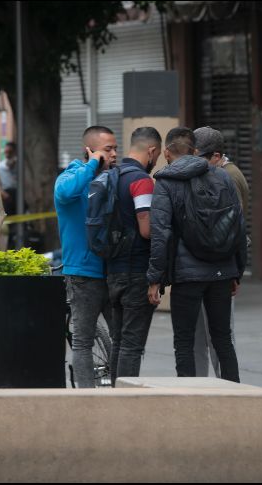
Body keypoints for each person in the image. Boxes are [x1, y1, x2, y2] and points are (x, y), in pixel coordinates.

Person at [147, 128, 247, 382]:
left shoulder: (166, 182)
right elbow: (238, 224)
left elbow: (161, 233)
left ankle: (189, 401)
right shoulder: (221, 176)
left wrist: (155, 278)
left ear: (167, 152)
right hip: (222, 272)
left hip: (186, 275)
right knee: (223, 340)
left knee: (184, 341)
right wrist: (237, 270)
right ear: (193, 150)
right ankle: (234, 398)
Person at [54, 126, 117, 388]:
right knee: (82, 340)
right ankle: (86, 397)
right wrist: (92, 165)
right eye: (107, 149)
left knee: (123, 338)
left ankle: (121, 388)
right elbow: (66, 193)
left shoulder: (112, 179)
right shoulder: (71, 177)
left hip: (114, 271)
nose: (114, 154)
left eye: (115, 148)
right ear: (90, 151)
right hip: (82, 273)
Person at [192, 126, 250, 376]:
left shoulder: (228, 177)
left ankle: (225, 389)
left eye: (199, 157)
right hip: (208, 267)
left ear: (216, 156)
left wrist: (235, 272)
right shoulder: (217, 173)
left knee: (220, 336)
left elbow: (232, 228)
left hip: (220, 267)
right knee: (201, 338)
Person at [106, 127, 162, 384]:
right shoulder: (141, 181)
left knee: (118, 341)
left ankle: (114, 397)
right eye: (157, 155)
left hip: (112, 270)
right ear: (151, 151)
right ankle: (125, 402)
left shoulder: (110, 175)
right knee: (132, 344)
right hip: (136, 272)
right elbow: (146, 229)